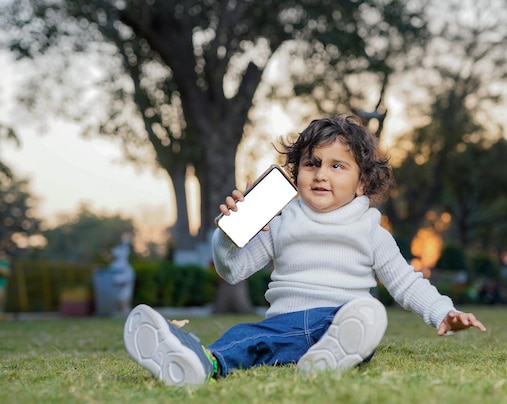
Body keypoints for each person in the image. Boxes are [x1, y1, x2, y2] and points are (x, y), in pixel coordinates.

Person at [123, 114, 487, 386]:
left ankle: (331, 355)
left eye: (336, 166)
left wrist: (443, 312)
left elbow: (406, 283)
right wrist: (229, 235)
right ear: (297, 173)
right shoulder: (279, 222)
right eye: (311, 164)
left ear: (362, 182)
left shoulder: (371, 229)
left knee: (361, 318)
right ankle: (199, 360)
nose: (321, 174)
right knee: (247, 337)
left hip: (344, 321)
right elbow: (233, 270)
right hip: (283, 327)